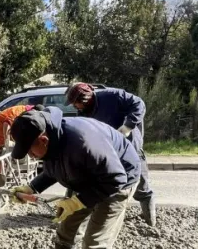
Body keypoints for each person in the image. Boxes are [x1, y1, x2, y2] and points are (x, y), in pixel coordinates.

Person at [9, 106, 140, 249]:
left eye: (30, 151)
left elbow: (115, 178)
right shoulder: (52, 138)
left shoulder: (83, 143)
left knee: (95, 243)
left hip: (118, 181)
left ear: (43, 140)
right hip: (87, 177)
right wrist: (32, 188)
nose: (30, 157)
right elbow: (55, 167)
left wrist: (77, 202)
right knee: (66, 228)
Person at [66, 82, 156, 226]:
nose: (74, 107)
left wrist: (128, 126)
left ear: (85, 99)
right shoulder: (83, 111)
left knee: (140, 182)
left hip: (129, 145)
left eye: (76, 103)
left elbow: (139, 104)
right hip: (107, 147)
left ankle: (151, 221)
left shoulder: (113, 96)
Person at [0, 103, 33, 171]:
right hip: (0, 126)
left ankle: (7, 172)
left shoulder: (26, 112)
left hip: (7, 128)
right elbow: (6, 123)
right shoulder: (20, 112)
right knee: (3, 152)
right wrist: (6, 141)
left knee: (9, 153)